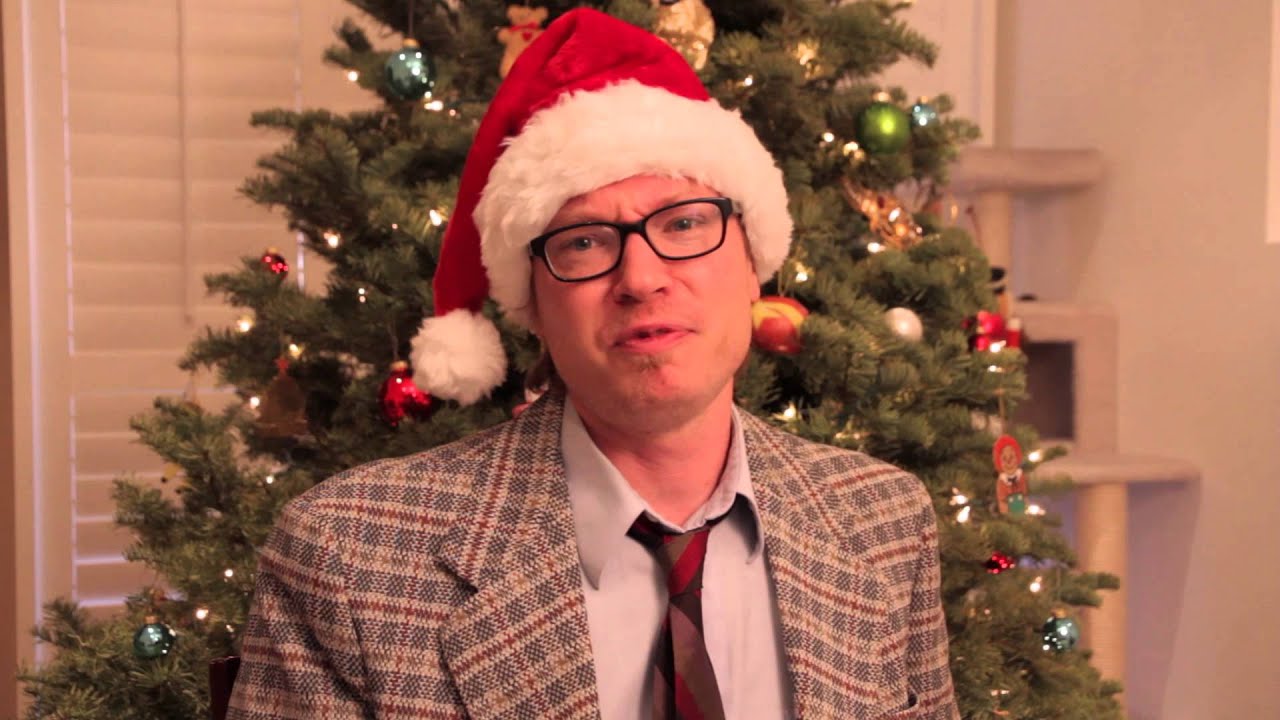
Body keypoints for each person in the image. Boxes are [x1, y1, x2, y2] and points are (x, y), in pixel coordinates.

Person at [229, 8, 958, 720]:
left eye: (685, 223)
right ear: (535, 306)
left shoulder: (884, 520)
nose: (641, 278)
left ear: (753, 263)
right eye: (582, 242)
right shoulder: (346, 557)